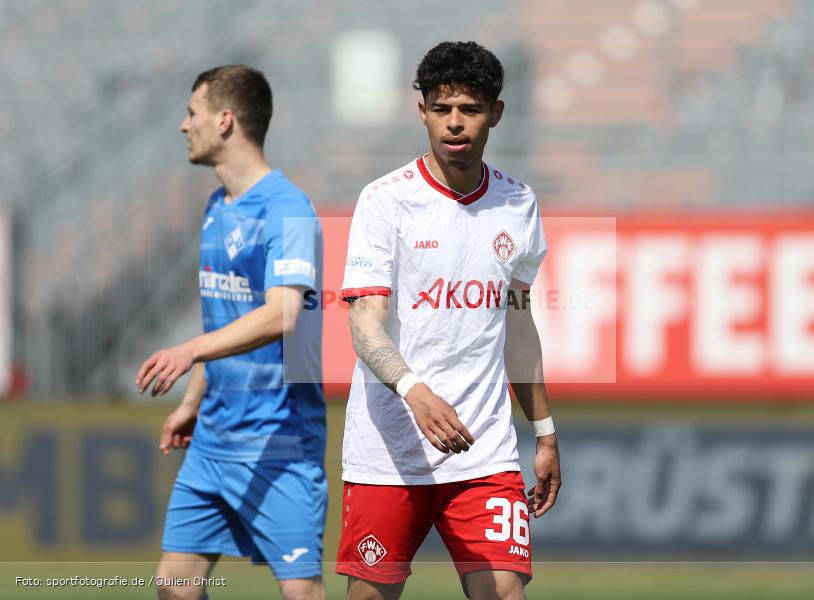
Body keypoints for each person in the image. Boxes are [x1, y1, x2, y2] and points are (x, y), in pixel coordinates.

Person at [336, 42, 562, 600]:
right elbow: (365, 325)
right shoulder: (384, 201)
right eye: (442, 109)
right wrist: (415, 392)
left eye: (469, 109)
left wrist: (544, 432)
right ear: (423, 112)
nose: (454, 123)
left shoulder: (519, 203)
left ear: (496, 113)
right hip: (388, 450)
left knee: (505, 593)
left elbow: (518, 326)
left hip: (484, 450)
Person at [135, 65, 326, 600]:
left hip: (279, 443)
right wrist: (192, 400)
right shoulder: (216, 207)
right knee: (174, 587)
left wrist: (190, 353)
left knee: (302, 594)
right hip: (213, 441)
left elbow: (282, 314)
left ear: (224, 121)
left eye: (191, 113)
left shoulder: (288, 208)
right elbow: (223, 319)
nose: (183, 125)